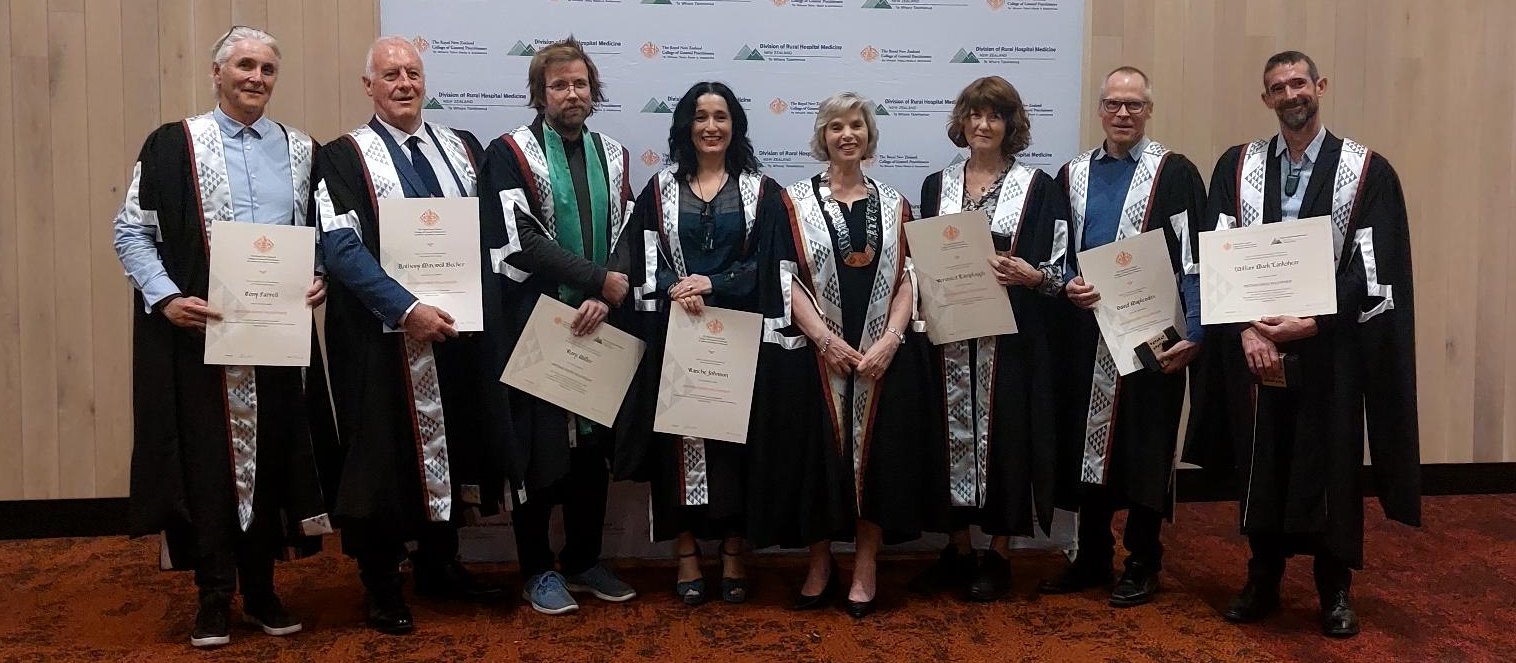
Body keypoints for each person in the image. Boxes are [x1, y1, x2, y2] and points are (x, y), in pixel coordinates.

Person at [1183, 51, 1419, 638]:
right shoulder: (1237, 168)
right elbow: (1215, 254)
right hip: (1255, 346)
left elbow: (1375, 266)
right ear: (1266, 99)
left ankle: (1334, 589)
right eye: (1277, 87)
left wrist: (1313, 323)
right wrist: (1245, 328)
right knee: (1261, 460)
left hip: (1329, 349)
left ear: (1320, 87)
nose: (1291, 94)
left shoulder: (1366, 172)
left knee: (1331, 465)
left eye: (1299, 83)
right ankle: (1261, 578)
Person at [113, 25, 329, 648]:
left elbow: (322, 234)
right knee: (207, 465)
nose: (256, 78)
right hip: (200, 339)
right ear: (217, 73)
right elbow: (132, 231)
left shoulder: (300, 150)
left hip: (276, 339)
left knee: (273, 461)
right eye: (244, 66)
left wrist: (318, 278)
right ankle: (212, 594)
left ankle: (260, 589)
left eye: (267, 68)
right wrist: (166, 297)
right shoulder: (172, 146)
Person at [310, 36, 504, 635]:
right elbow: (339, 245)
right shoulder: (342, 156)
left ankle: (441, 562)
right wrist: (404, 306)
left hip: (453, 335)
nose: (403, 84)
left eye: (412, 73)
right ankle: (380, 581)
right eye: (390, 74)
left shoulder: (461, 148)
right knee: (382, 454)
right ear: (368, 85)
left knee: (455, 444)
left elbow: (488, 231)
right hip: (378, 337)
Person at [747, 92, 936, 619]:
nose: (846, 134)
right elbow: (782, 278)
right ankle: (819, 562)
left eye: (856, 125)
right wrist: (825, 340)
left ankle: (866, 565)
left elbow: (910, 280)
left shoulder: (896, 203)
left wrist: (891, 341)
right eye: (835, 127)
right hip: (814, 357)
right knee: (815, 460)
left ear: (869, 135)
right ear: (822, 137)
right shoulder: (791, 202)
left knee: (878, 461)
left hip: (881, 357)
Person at [478, 36, 638, 615]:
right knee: (539, 451)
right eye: (559, 85)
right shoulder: (509, 153)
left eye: (580, 84)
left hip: (600, 322)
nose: (572, 94)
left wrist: (607, 290)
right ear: (539, 93)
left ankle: (584, 558)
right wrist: (597, 281)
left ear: (593, 91)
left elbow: (628, 234)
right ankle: (536, 569)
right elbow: (516, 240)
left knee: (591, 453)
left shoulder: (613, 155)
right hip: (537, 322)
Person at [1038, 66, 1207, 607]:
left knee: (1145, 445)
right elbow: (1059, 254)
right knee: (1085, 447)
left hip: (1152, 331)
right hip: (1086, 334)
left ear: (1148, 110)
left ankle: (1142, 559)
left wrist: (1198, 329)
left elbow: (1194, 257)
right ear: (1100, 109)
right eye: (1114, 104)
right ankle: (1090, 555)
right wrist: (1067, 285)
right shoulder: (1072, 174)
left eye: (1134, 105)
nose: (1123, 114)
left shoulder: (1176, 173)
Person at [616, 82, 789, 605]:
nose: (710, 126)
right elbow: (640, 254)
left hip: (739, 336)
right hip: (676, 334)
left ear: (734, 125)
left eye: (720, 116)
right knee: (677, 445)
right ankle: (687, 552)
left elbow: (773, 261)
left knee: (739, 444)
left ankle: (736, 549)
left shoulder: (762, 191)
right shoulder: (659, 189)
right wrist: (673, 283)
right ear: (686, 126)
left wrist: (717, 283)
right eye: (700, 116)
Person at [909, 76, 1070, 603]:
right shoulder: (936, 186)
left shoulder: (1040, 187)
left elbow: (1060, 266)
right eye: (975, 115)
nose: (983, 125)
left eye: (995, 116)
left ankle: (998, 552)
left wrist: (1033, 274)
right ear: (961, 122)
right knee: (945, 435)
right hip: (949, 339)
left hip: (1012, 342)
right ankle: (957, 547)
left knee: (1006, 438)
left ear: (1010, 125)